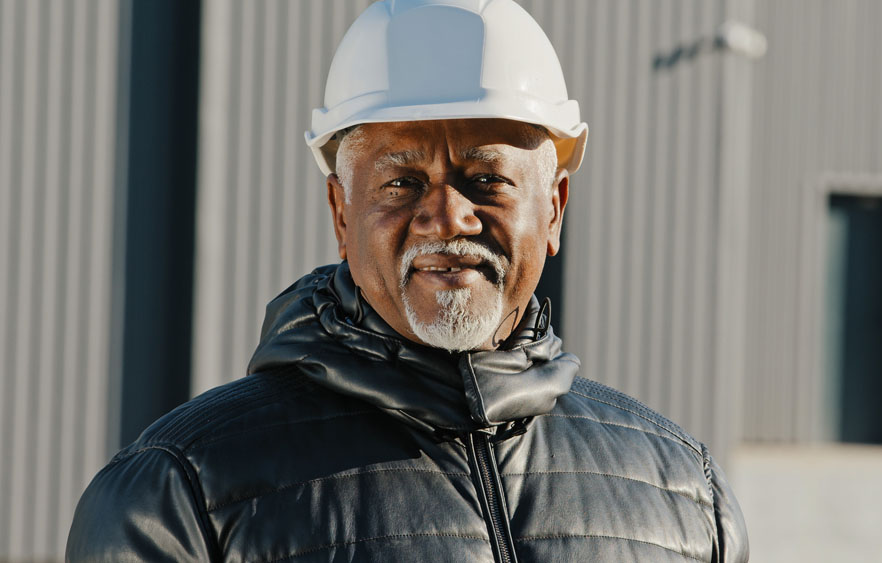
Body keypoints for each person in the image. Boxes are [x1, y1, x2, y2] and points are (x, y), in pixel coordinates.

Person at [67, 1, 748, 561]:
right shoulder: (178, 497)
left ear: (554, 209)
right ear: (341, 211)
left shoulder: (685, 497)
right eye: (402, 181)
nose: (447, 216)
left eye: (487, 180)